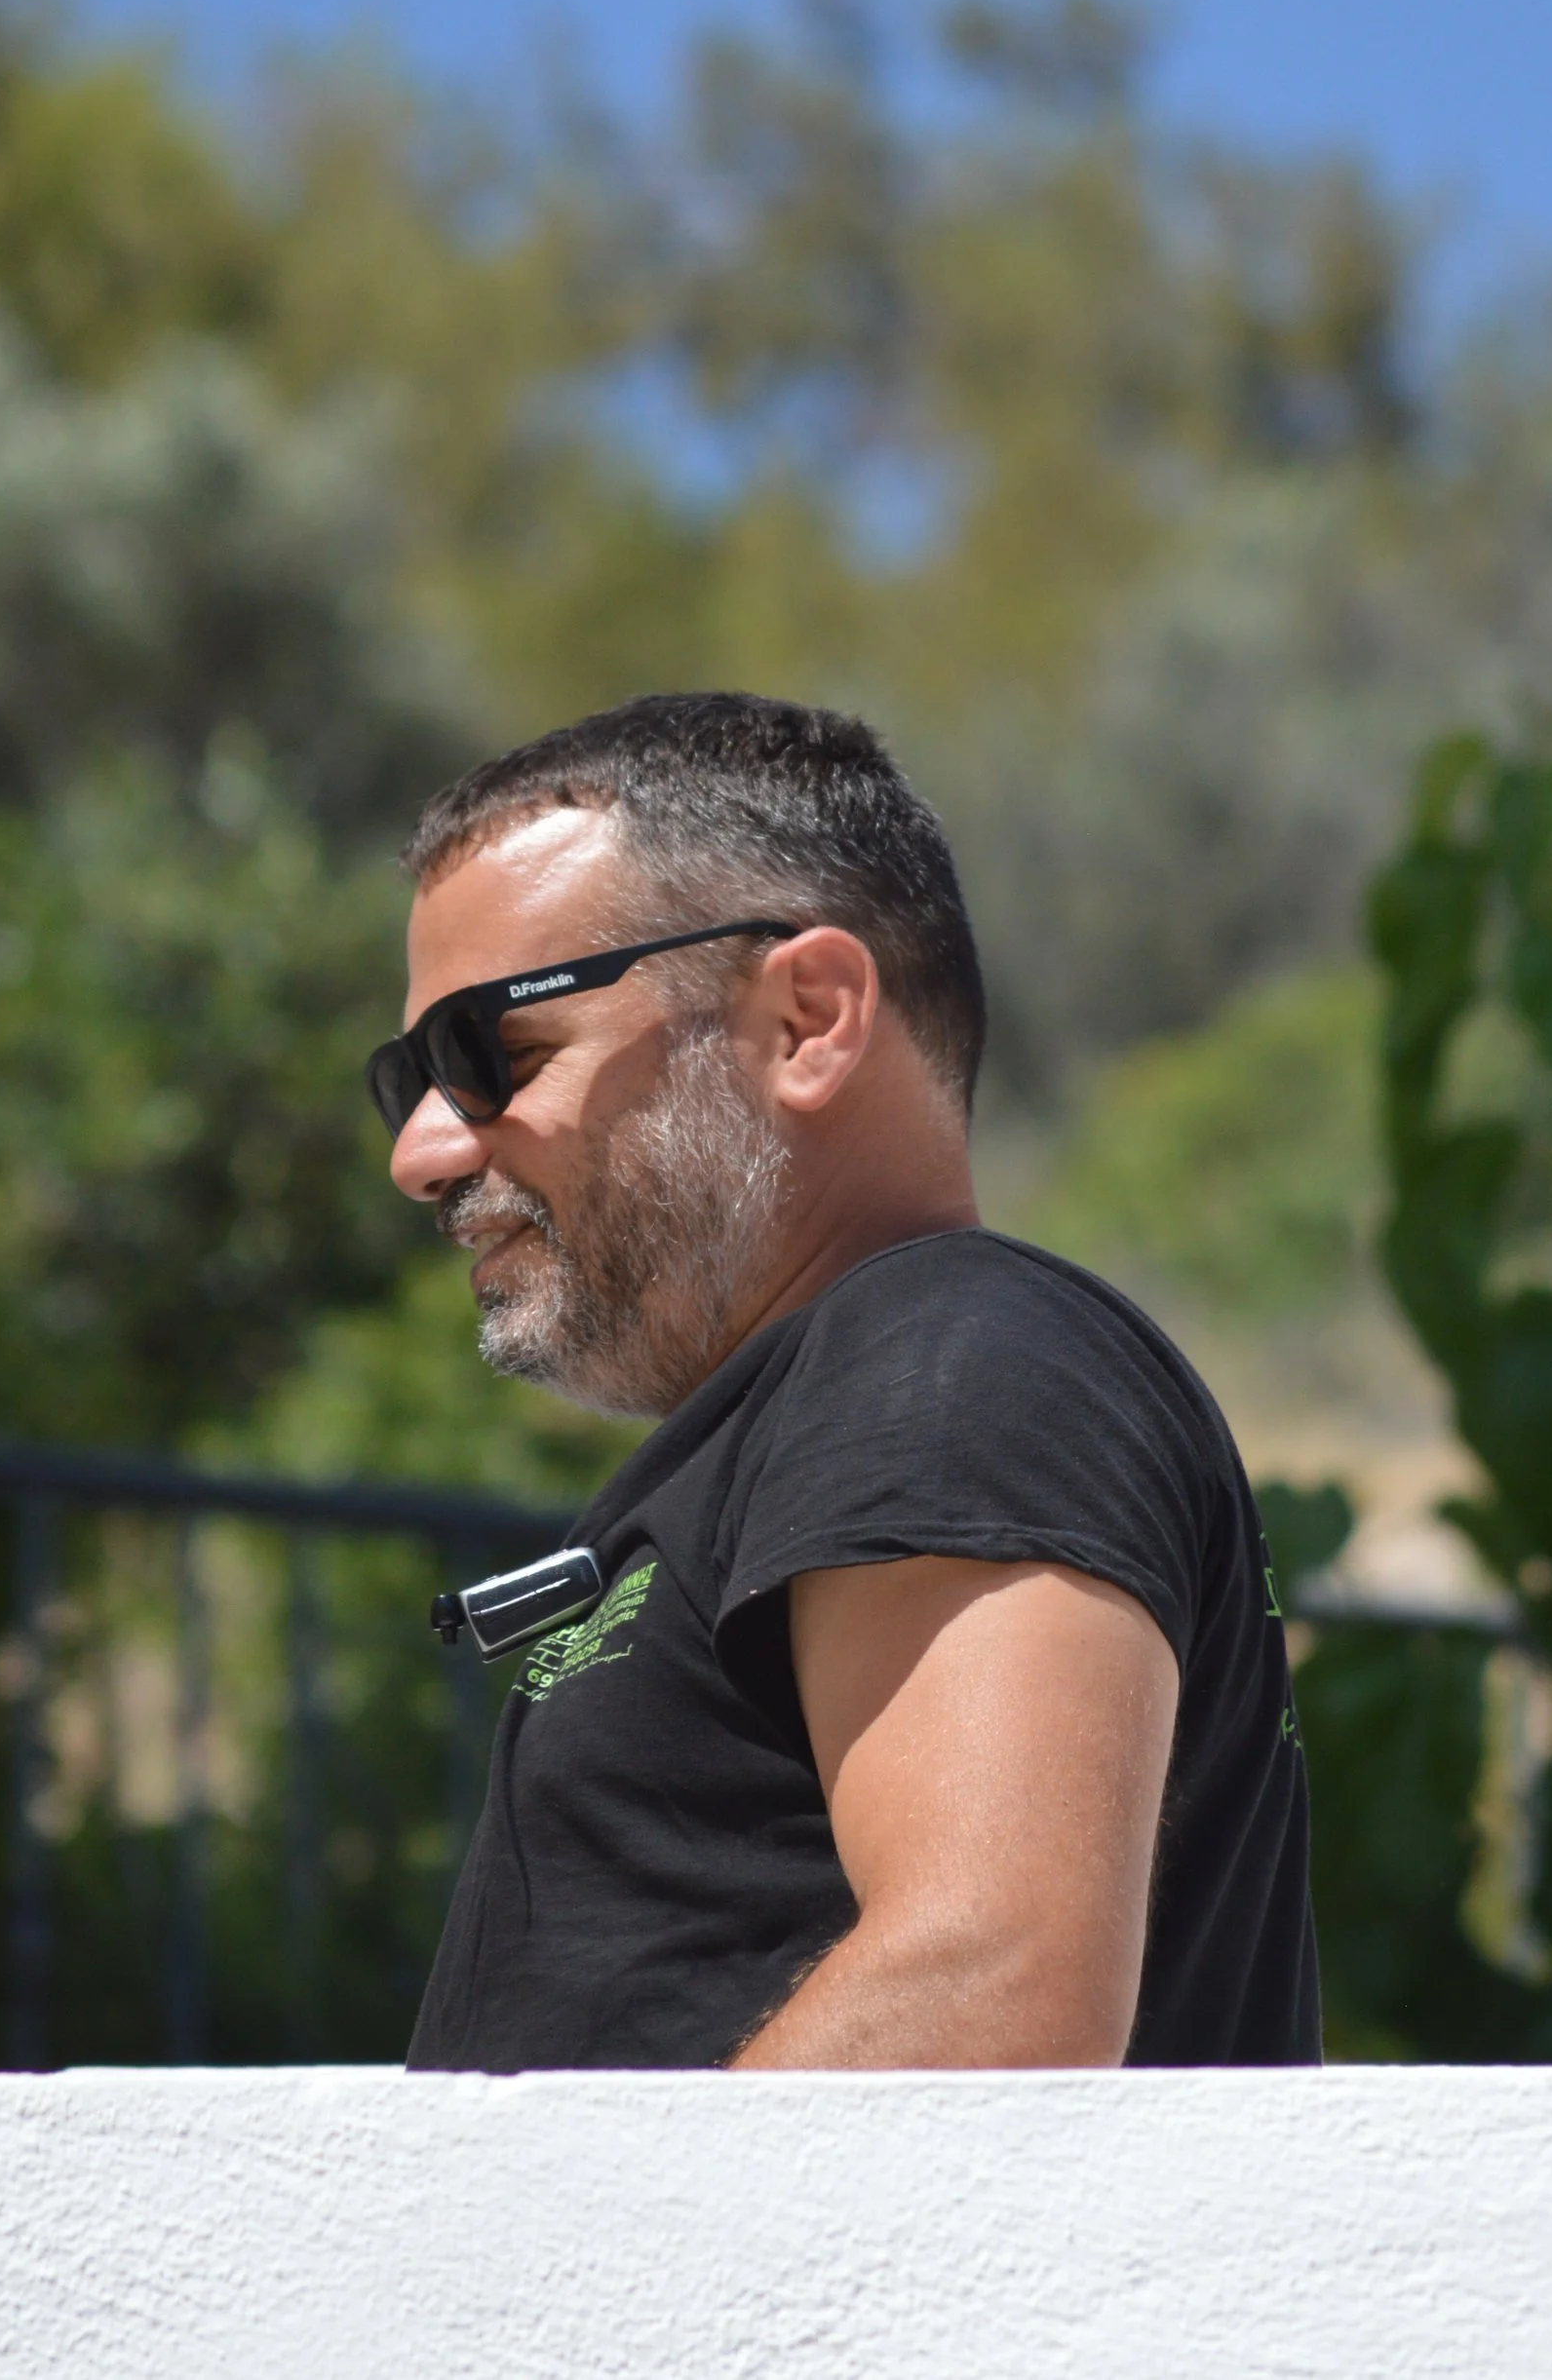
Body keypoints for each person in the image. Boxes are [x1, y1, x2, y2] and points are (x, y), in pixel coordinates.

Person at [375, 691, 1319, 2071]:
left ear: (808, 1019)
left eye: (486, 1055)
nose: (422, 1150)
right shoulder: (872, 1386)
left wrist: (604, 2288)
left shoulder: (957, 1357)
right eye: (402, 1077)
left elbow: (988, 1989)